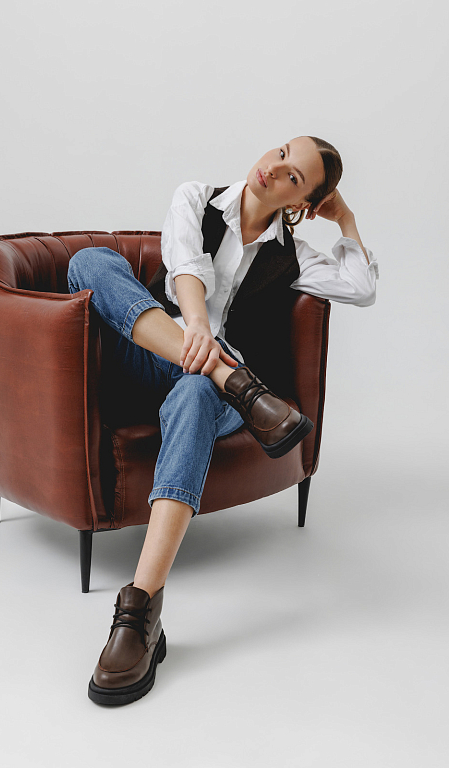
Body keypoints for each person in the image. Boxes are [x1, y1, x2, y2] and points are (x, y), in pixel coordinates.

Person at [67, 135, 379, 706]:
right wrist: (201, 337)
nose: (274, 169)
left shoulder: (293, 257)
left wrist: (345, 218)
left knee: (194, 390)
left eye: (294, 177)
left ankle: (140, 611)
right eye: (281, 153)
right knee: (89, 262)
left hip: (209, 400)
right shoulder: (196, 199)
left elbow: (361, 288)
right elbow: (186, 268)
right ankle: (232, 377)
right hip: (154, 362)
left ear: (301, 203)